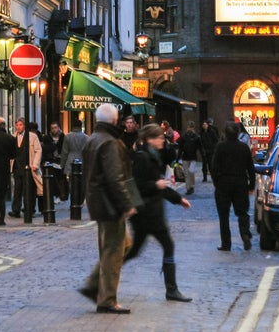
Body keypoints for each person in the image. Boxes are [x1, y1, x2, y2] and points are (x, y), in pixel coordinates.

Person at [77, 103, 140, 314]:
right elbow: (115, 177)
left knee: (122, 245)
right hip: (110, 204)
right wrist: (127, 203)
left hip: (98, 201)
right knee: (114, 249)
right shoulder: (110, 142)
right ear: (115, 120)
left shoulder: (92, 140)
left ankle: (94, 285)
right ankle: (107, 300)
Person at [125, 125, 192, 302]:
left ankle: (104, 274)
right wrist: (156, 186)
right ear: (149, 139)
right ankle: (171, 290)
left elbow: (160, 184)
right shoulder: (142, 157)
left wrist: (178, 199)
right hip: (147, 214)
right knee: (167, 245)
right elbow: (138, 185)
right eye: (159, 138)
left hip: (147, 213)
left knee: (134, 251)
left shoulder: (153, 156)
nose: (162, 140)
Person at [211, 122, 256, 251]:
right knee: (242, 212)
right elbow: (250, 168)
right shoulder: (243, 148)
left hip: (223, 184)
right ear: (238, 133)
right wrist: (251, 185)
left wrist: (216, 182)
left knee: (223, 215)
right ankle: (245, 234)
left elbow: (214, 167)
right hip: (240, 183)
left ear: (225, 133)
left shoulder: (220, 147)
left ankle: (226, 243)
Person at [9, 118, 41, 220]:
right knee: (17, 190)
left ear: (24, 126)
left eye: (20, 125)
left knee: (29, 190)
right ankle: (16, 210)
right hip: (17, 167)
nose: (18, 127)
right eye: (17, 125)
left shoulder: (32, 137)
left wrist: (35, 164)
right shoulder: (13, 137)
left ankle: (29, 210)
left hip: (29, 167)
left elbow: (38, 150)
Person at [59, 123, 88, 202]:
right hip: (82, 160)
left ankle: (74, 198)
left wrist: (62, 165)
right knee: (82, 181)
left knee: (71, 181)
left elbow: (64, 152)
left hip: (70, 159)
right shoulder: (86, 137)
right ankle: (80, 199)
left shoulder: (67, 136)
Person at [42, 122, 68, 201]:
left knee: (62, 178)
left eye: (55, 127)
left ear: (59, 128)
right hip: (52, 160)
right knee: (54, 178)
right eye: (52, 128)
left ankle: (63, 195)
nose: (54, 129)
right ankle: (57, 194)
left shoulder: (63, 137)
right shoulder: (47, 137)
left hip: (61, 160)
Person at [178, 126, 201, 196]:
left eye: (191, 127)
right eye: (188, 127)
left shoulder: (196, 137)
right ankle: (188, 188)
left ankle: (192, 186)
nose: (189, 129)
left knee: (191, 172)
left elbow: (200, 146)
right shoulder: (184, 137)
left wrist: (203, 154)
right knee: (186, 174)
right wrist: (178, 158)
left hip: (193, 158)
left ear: (193, 128)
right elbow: (180, 148)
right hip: (185, 157)